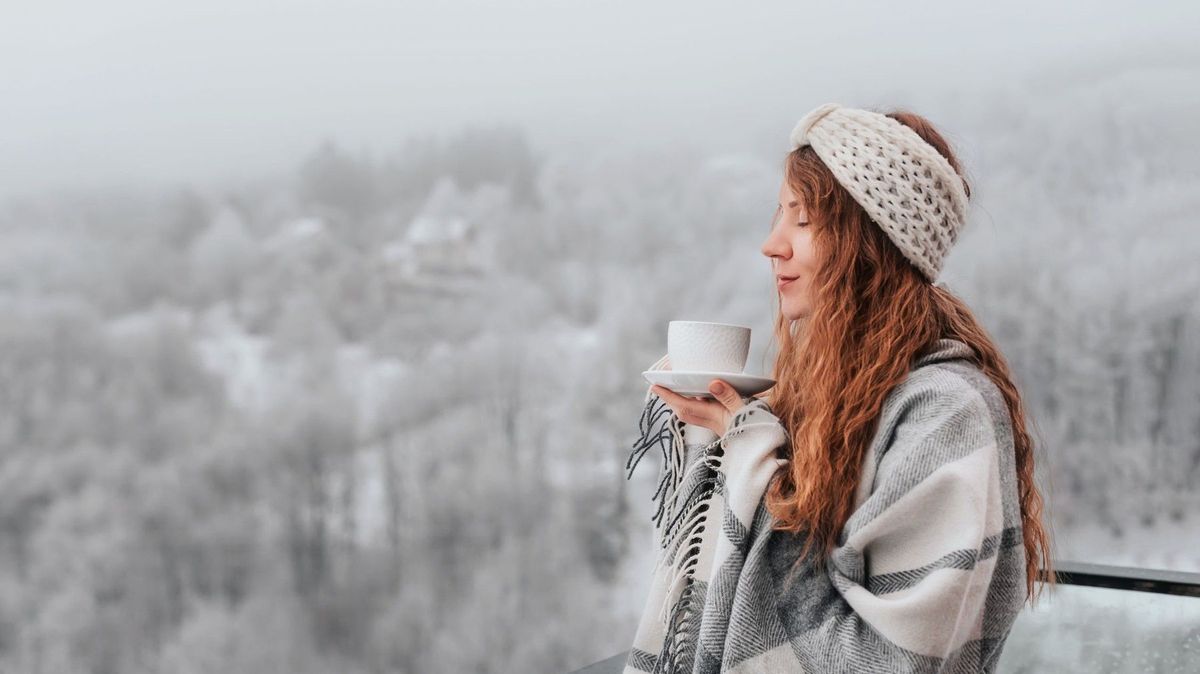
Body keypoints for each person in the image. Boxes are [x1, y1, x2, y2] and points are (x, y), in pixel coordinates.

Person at [622, 103, 1054, 673]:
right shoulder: (818, 398)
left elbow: (897, 662)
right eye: (779, 216)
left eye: (803, 221)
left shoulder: (947, 413)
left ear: (870, 243)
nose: (772, 244)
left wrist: (749, 448)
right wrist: (720, 433)